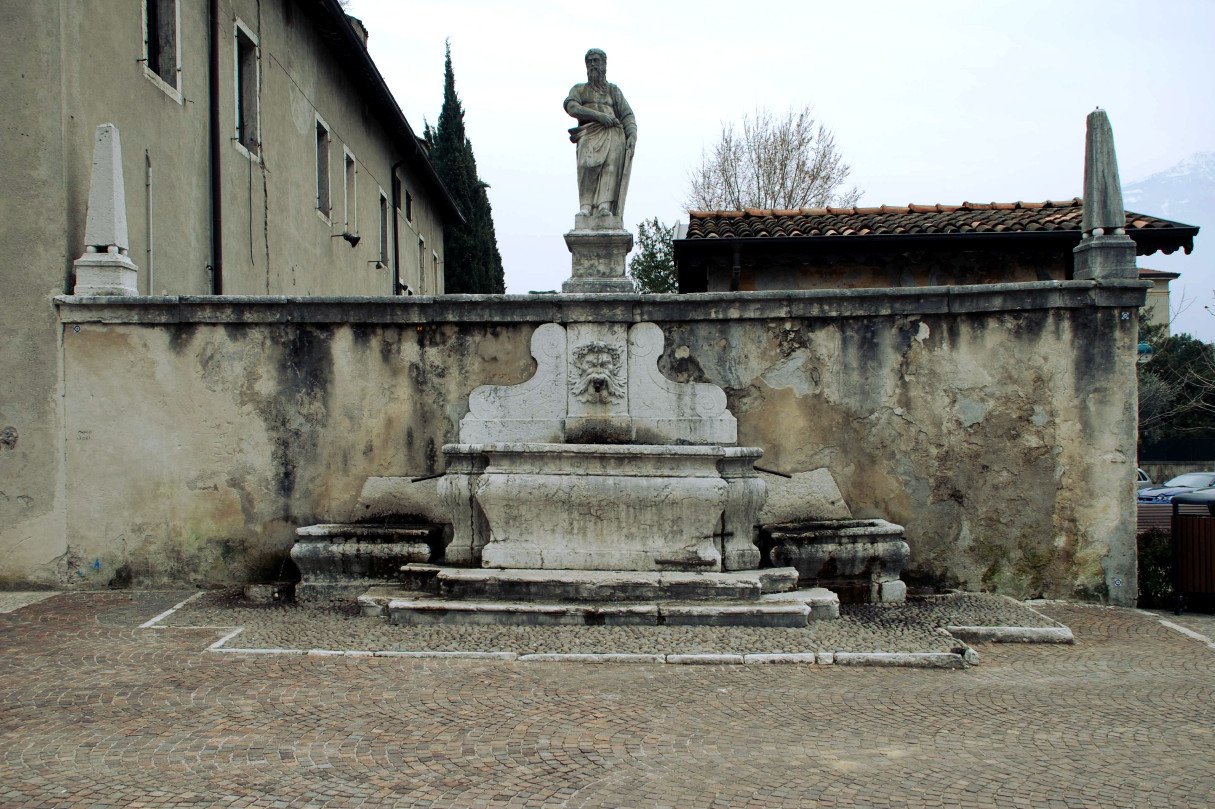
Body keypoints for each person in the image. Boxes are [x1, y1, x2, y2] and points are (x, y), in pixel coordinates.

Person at [564, 49, 637, 218]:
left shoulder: (613, 91)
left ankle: (605, 206)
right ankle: (586, 206)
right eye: (590, 62)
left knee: (610, 168)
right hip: (588, 134)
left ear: (604, 65)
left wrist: (632, 134)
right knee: (586, 166)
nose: (593, 65)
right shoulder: (580, 89)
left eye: (597, 61)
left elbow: (627, 115)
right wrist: (599, 116)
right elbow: (572, 107)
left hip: (613, 135)